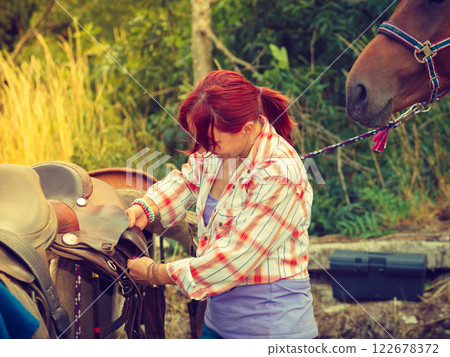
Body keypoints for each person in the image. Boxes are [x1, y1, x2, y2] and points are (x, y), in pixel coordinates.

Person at [126, 70, 317, 339]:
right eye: (199, 140)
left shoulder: (279, 174)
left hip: (270, 329)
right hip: (219, 322)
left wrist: (158, 273)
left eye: (210, 142)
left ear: (247, 129)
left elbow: (235, 257)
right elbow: (187, 179)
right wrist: (146, 208)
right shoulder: (221, 150)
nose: (202, 150)